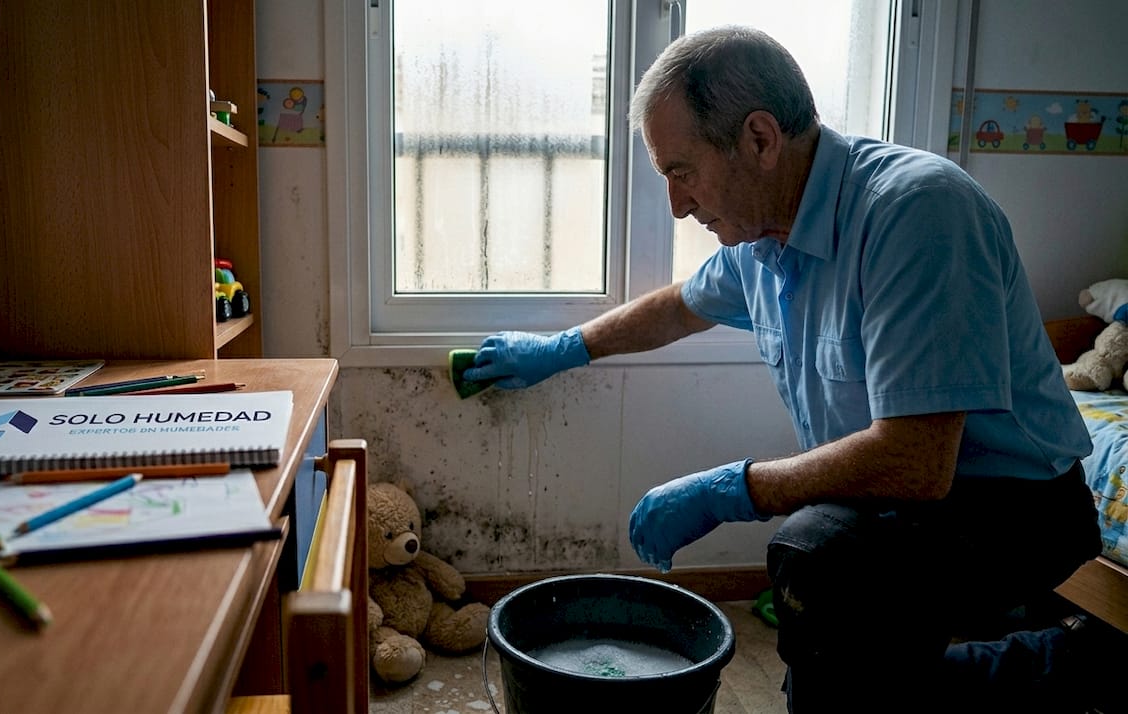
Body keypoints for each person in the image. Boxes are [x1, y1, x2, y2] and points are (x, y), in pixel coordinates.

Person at [462, 25, 1100, 714]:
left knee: (817, 563)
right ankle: (1035, 664)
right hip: (903, 508)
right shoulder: (763, 236)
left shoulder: (916, 213)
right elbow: (678, 307)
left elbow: (917, 462)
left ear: (759, 140)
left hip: (1013, 510)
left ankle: (1068, 662)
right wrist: (560, 349)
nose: (676, 204)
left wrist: (730, 488)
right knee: (834, 663)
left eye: (681, 171)